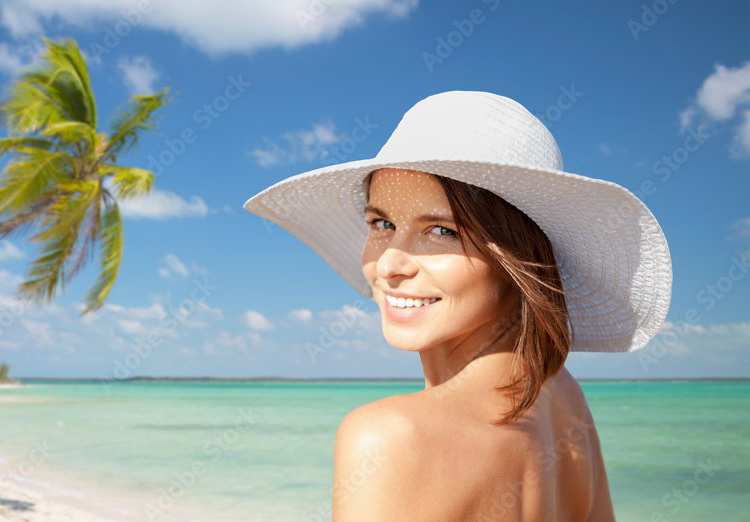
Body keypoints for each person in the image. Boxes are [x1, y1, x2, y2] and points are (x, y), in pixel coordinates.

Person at [243, 91, 672, 521]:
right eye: (382, 224)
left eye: (442, 231)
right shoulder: (561, 394)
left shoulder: (389, 438)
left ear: (514, 258)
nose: (389, 264)